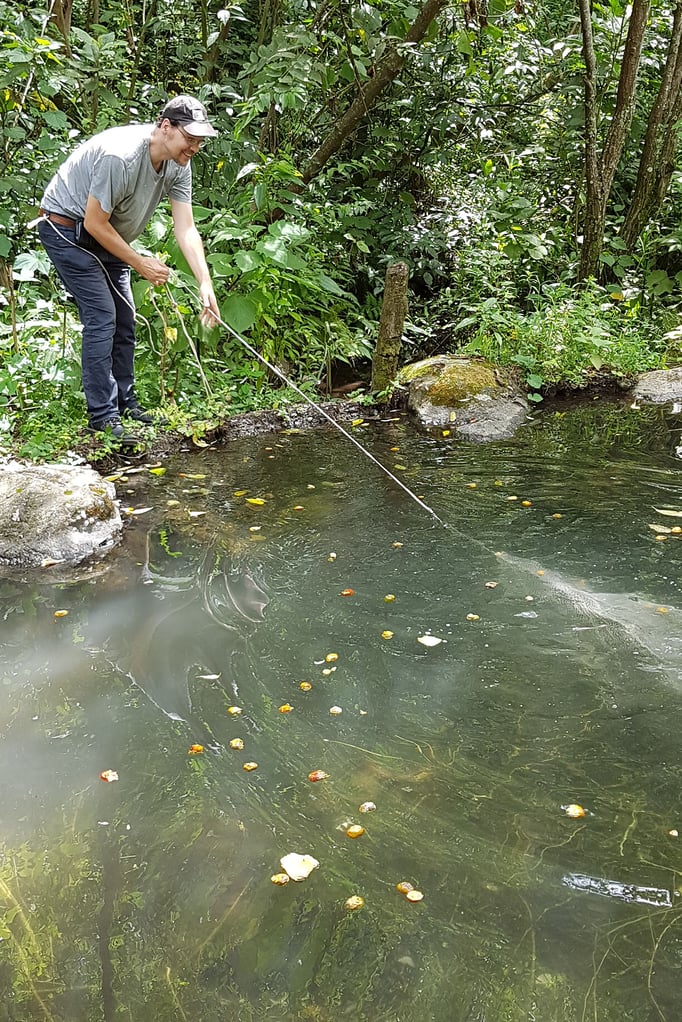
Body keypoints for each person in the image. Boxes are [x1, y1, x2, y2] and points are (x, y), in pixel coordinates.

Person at [37, 95, 220, 443]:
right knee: (102, 315)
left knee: (124, 317)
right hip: (67, 229)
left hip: (107, 234)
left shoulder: (180, 164)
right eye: (190, 138)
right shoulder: (120, 156)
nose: (195, 146)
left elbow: (186, 228)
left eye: (200, 140)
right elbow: (93, 222)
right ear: (166, 127)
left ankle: (125, 402)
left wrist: (205, 283)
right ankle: (102, 418)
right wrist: (139, 262)